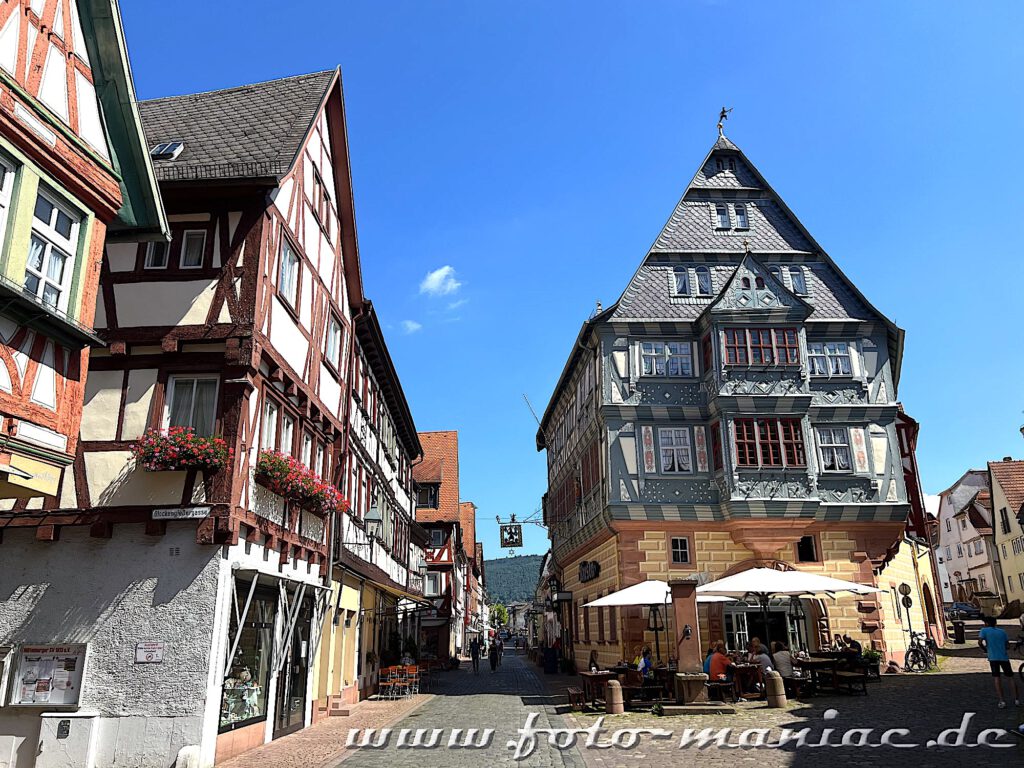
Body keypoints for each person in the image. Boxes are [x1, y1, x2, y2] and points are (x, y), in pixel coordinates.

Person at [978, 615, 1021, 708]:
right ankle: (1016, 699)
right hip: (1004, 657)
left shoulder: (984, 630)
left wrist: (985, 649)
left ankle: (1002, 701)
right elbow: (1008, 646)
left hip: (993, 658)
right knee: (1011, 677)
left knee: (997, 678)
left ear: (986, 623)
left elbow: (980, 642)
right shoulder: (1002, 632)